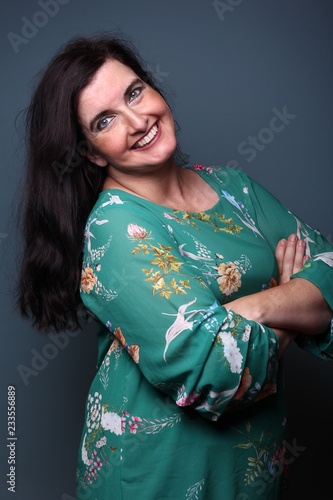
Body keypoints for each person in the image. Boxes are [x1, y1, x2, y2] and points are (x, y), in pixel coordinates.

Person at [17, 34, 333, 499]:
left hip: (251, 473)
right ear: (91, 152)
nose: (138, 120)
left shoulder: (234, 189)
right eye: (105, 120)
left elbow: (330, 275)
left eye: (134, 92)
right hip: (159, 477)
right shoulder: (115, 228)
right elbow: (217, 375)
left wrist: (254, 309)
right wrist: (292, 295)